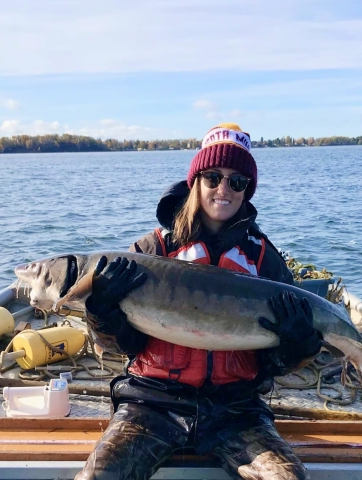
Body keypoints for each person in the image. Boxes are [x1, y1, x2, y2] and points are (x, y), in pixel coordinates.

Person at [75, 123, 322, 480]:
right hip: (151, 403)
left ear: (247, 190)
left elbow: (272, 365)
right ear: (195, 182)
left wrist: (297, 345)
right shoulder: (149, 252)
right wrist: (101, 312)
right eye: (212, 177)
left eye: (237, 181)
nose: (224, 189)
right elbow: (120, 347)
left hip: (236, 410)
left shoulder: (265, 261)